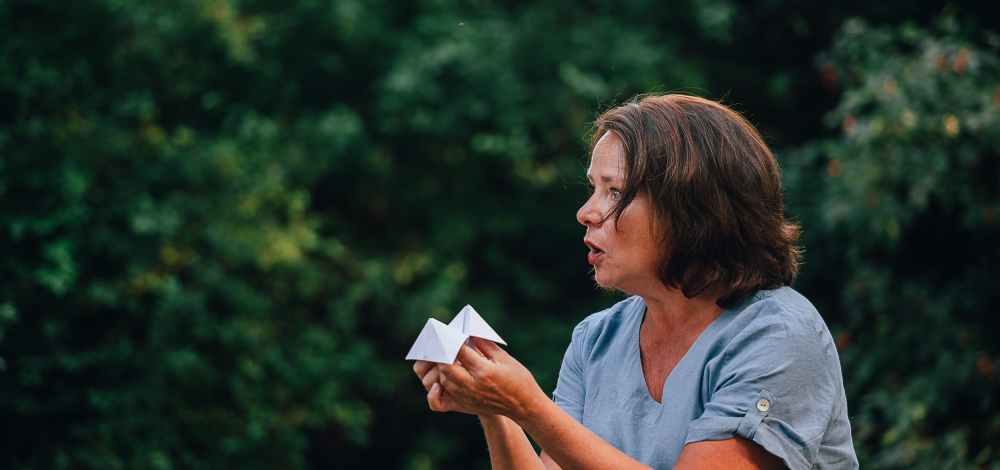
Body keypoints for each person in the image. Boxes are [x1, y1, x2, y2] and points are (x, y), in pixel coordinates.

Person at [412, 94, 858, 470]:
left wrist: (529, 406)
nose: (586, 212)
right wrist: (499, 409)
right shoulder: (595, 339)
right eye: (592, 188)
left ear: (692, 210)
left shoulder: (778, 335)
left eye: (615, 192)